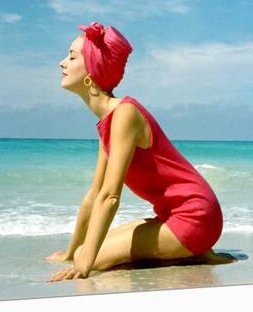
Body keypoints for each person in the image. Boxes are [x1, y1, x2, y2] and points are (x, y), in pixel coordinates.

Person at [46, 21, 236, 283]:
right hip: (173, 217)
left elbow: (110, 196)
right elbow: (94, 194)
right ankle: (190, 251)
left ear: (90, 73)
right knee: (81, 251)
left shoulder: (125, 114)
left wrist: (84, 266)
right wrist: (71, 253)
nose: (62, 63)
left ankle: (192, 252)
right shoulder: (109, 121)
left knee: (88, 256)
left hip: (195, 218)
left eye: (71, 57)